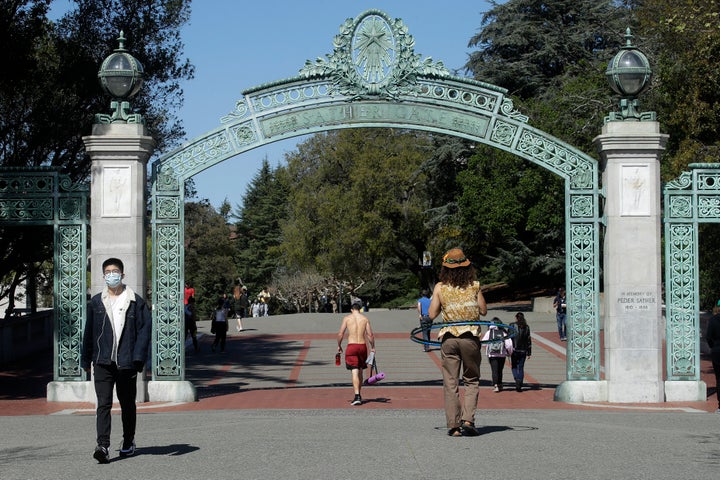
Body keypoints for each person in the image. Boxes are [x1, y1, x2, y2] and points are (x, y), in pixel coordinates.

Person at [81, 258, 151, 464]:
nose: (112, 275)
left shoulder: (136, 302)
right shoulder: (96, 302)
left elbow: (144, 332)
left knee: (127, 403)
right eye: (108, 272)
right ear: (103, 276)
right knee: (103, 403)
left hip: (126, 362)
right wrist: (86, 359)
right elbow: (89, 333)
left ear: (122, 274)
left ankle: (128, 441)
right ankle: (102, 445)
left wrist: (138, 359)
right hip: (102, 361)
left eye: (115, 271)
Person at [428, 248, 487, 437]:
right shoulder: (474, 285)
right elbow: (484, 311)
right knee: (471, 380)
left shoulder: (440, 287)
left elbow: (431, 314)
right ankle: (468, 419)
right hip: (470, 337)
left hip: (449, 338)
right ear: (467, 267)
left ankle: (454, 426)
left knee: (450, 382)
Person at [337, 302, 375, 406]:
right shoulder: (365, 319)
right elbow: (370, 335)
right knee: (361, 370)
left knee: (354, 371)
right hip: (362, 346)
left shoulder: (347, 318)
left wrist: (339, 345)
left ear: (351, 309)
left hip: (352, 345)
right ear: (360, 309)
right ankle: (359, 394)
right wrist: (373, 347)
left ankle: (357, 395)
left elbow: (340, 333)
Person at [482, 318, 511, 392]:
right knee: (500, 370)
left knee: (494, 370)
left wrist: (489, 346)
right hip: (502, 354)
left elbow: (483, 342)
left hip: (492, 354)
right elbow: (509, 344)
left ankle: (495, 385)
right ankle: (500, 384)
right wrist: (509, 352)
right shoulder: (503, 332)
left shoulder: (489, 332)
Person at [510, 312, 532, 392]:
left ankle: (517, 379)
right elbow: (528, 340)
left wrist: (508, 349)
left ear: (516, 318)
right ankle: (520, 381)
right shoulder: (526, 327)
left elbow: (509, 338)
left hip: (514, 349)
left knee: (514, 366)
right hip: (523, 350)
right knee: (521, 367)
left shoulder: (512, 325)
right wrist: (529, 352)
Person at [706, 300, 720, 413]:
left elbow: (708, 337)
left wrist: (713, 346)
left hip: (717, 352)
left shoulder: (713, 320)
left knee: (719, 380)